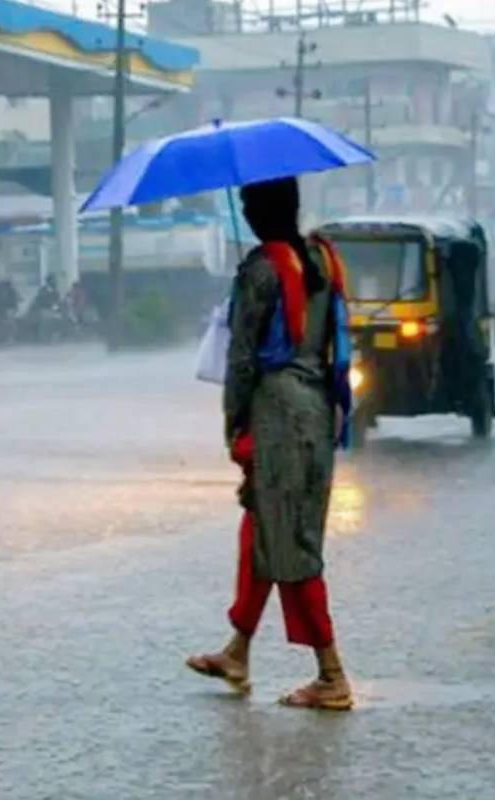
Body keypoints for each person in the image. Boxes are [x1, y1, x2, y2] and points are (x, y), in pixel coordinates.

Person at [186, 177, 355, 711]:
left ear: (261, 211)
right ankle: (238, 650)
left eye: (247, 203)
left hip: (277, 416)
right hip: (317, 410)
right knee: (263, 530)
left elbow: (241, 359)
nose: (246, 210)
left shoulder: (260, 271)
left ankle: (331, 674)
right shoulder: (324, 260)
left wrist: (235, 424)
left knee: (292, 545)